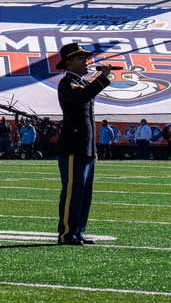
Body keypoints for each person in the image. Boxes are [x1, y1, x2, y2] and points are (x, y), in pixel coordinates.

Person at [54, 43, 111, 246]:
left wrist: (93, 149)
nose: (86, 61)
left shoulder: (82, 83)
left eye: (85, 58)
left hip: (84, 148)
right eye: (80, 58)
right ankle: (66, 233)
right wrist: (103, 78)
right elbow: (82, 97)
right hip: (72, 147)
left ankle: (77, 231)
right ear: (68, 63)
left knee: (84, 194)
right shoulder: (67, 83)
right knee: (73, 191)